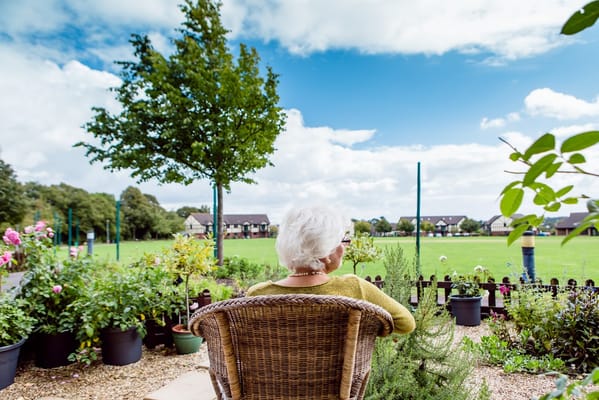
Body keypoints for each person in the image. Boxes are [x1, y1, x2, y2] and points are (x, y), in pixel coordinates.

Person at [246, 204, 416, 334]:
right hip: (342, 380)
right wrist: (362, 329)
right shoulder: (355, 289)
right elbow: (406, 323)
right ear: (326, 249)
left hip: (274, 380)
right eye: (343, 240)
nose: (345, 247)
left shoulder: (257, 295)